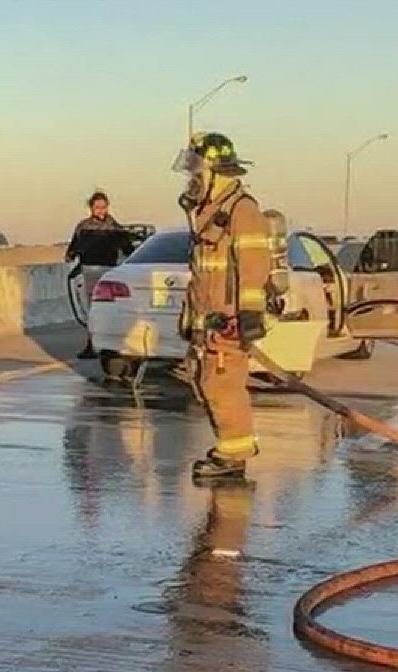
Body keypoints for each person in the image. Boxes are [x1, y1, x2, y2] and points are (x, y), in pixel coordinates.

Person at [176, 132, 271, 482]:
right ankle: (231, 448)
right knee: (205, 383)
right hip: (209, 320)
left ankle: (234, 455)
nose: (192, 178)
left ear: (216, 170)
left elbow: (254, 266)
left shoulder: (241, 211)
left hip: (228, 321)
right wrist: (193, 320)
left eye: (197, 169)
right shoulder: (209, 212)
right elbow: (203, 275)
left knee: (222, 386)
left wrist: (247, 316)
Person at [65, 191, 135, 362]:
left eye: (103, 207)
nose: (100, 211)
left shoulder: (114, 227)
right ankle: (92, 344)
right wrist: (71, 255)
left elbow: (128, 250)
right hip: (89, 270)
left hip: (109, 270)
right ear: (91, 208)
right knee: (92, 309)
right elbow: (74, 247)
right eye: (97, 208)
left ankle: (112, 345)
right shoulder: (83, 227)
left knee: (109, 308)